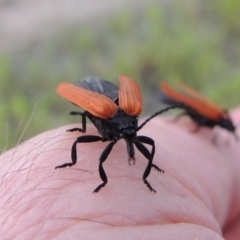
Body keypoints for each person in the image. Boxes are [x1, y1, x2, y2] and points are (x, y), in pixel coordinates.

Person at [0, 107, 239, 239]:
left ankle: (146, 175)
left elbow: (142, 144)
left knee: (147, 147)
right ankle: (100, 179)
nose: (129, 144)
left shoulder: (132, 130)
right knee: (90, 147)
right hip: (106, 117)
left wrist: (148, 172)